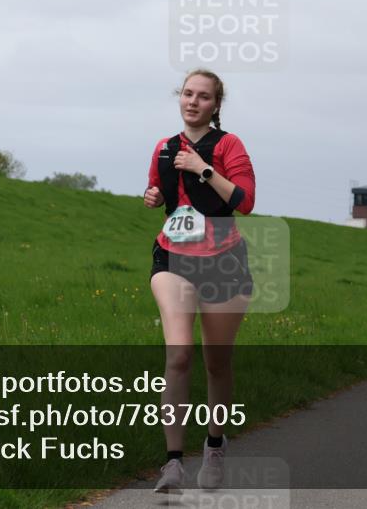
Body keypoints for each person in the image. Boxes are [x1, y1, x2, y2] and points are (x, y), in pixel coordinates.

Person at [144, 69, 256, 493]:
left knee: (216, 362)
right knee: (179, 354)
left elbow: (246, 202)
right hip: (173, 256)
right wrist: (153, 196)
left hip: (224, 261)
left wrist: (202, 168)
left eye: (203, 96)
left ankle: (214, 445)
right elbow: (160, 192)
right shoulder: (163, 147)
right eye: (188, 94)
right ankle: (172, 463)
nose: (193, 101)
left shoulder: (229, 145)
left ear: (216, 104)